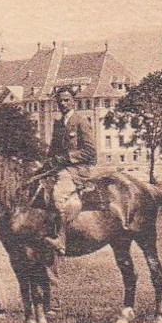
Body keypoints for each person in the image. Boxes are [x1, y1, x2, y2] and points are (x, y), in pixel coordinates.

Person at [47, 85, 105, 254]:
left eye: (66, 100)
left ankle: (61, 239)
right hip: (60, 168)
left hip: (78, 170)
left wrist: (65, 158)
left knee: (58, 195)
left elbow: (90, 152)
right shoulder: (58, 124)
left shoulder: (81, 121)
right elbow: (53, 150)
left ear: (73, 102)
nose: (63, 104)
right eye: (60, 101)